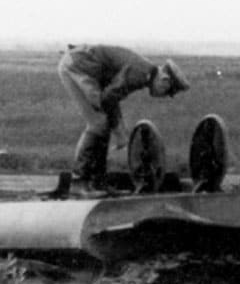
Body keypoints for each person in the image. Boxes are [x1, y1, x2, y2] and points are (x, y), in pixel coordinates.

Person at [57, 44, 189, 192]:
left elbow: (111, 97)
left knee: (102, 123)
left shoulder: (144, 72)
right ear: (165, 80)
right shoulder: (139, 73)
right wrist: (119, 130)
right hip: (77, 67)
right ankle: (79, 181)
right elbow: (107, 99)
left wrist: (119, 130)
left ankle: (97, 181)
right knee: (98, 124)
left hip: (81, 65)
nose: (164, 96)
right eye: (167, 92)